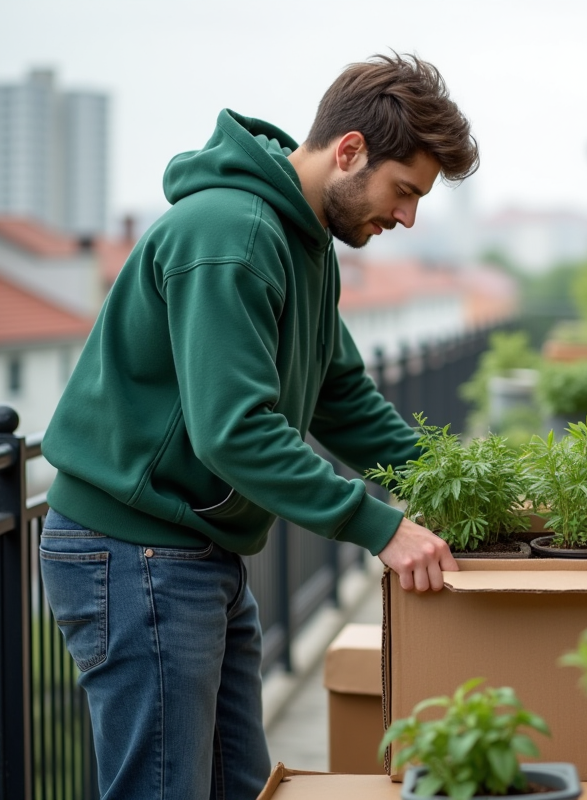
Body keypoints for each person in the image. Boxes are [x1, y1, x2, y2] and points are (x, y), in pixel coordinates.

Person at [38, 53, 476, 800]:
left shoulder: (304, 244)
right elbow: (233, 431)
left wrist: (453, 480)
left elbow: (340, 394)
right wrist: (377, 524)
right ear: (349, 151)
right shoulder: (233, 237)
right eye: (404, 191)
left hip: (193, 551)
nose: (407, 218)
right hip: (136, 551)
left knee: (239, 786)